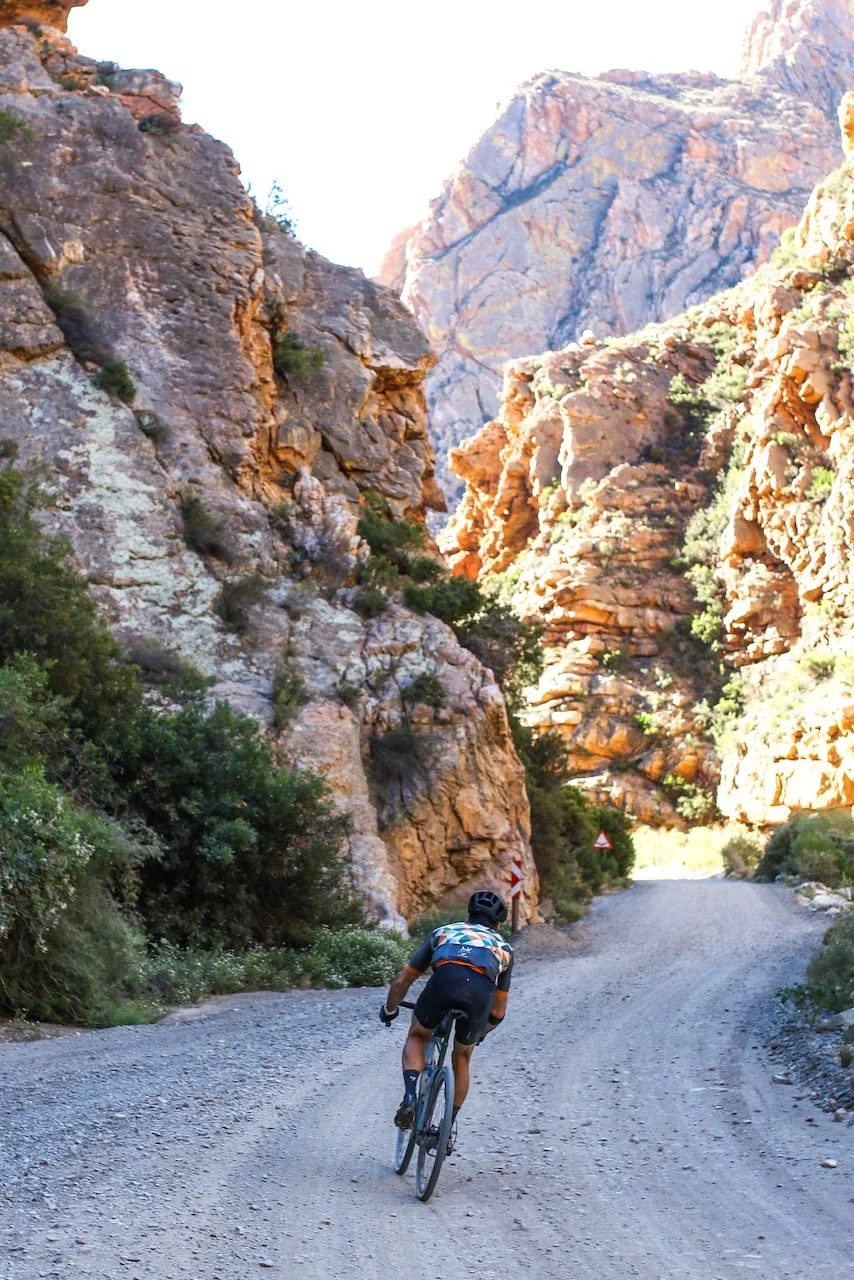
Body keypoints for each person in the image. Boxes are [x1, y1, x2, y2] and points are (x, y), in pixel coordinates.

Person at [379, 889, 514, 1130]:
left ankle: (410, 1097)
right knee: (462, 1056)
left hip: (443, 983)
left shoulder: (443, 932)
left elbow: (402, 981)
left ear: (468, 915)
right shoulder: (504, 948)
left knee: (418, 1035)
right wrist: (481, 1031)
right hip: (479, 994)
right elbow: (498, 1011)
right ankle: (446, 1127)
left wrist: (390, 1010)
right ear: (497, 924)